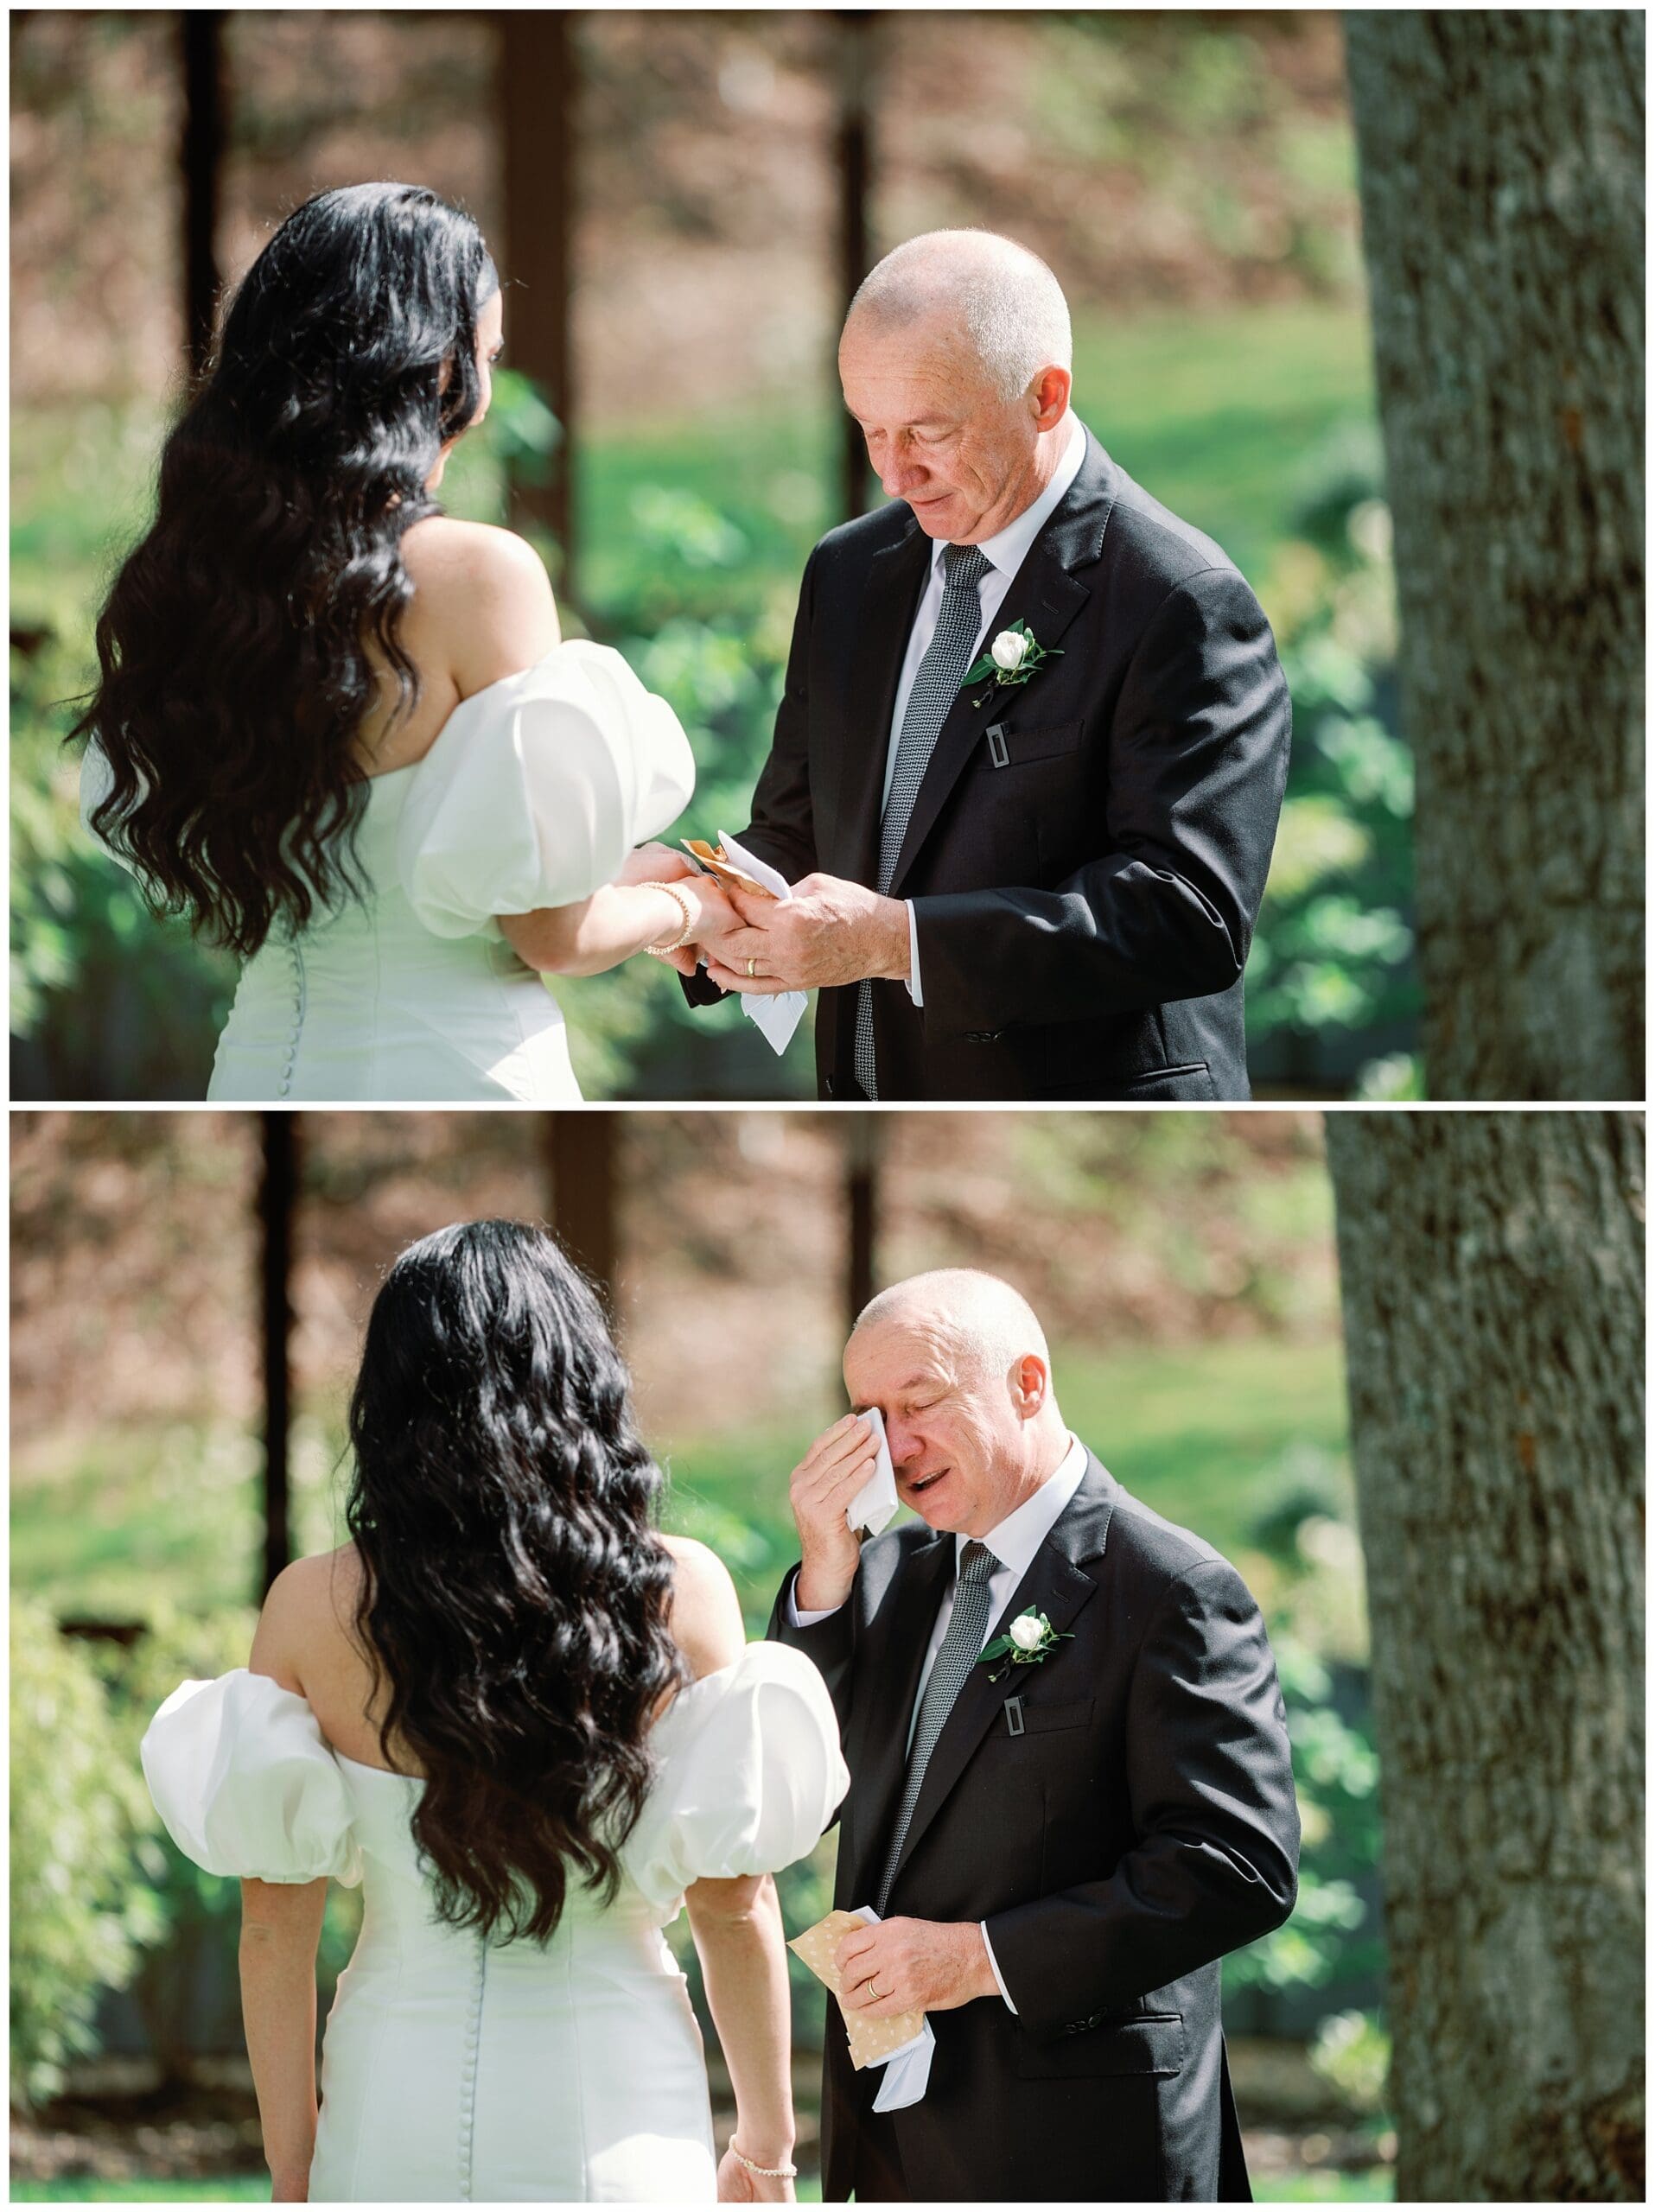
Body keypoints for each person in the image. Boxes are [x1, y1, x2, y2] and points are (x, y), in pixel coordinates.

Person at [142, 1221, 845, 2202]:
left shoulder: (312, 1605)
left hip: (392, 2099)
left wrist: (296, 2164)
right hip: (614, 2097)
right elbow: (734, 1902)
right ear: (582, 1382)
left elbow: (275, 1929)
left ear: (387, 1399)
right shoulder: (680, 1592)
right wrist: (766, 2143)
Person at [74, 183, 730, 1102]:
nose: (487, 392)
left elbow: (399, 871)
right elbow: (550, 934)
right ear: (428, 369)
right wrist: (691, 905)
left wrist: (630, 877)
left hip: (258, 1064)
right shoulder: (475, 576)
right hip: (461, 1065)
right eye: (484, 356)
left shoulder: (193, 589)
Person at [674, 230, 1292, 1101]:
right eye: (870, 430)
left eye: (928, 431)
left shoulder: (1175, 598)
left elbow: (1186, 913)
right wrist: (699, 894)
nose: (894, 473)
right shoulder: (847, 573)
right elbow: (797, 826)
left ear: (1043, 397)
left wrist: (899, 941)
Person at [769, 1269, 1300, 2202]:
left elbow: (1234, 1865)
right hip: (889, 2142)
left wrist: (976, 1959)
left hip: (1082, 2144)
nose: (894, 1446)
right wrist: (822, 1571)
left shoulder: (1169, 1587)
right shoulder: (880, 1573)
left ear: (1025, 1383)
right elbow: (784, 1800)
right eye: (868, 1415)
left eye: (920, 1402)